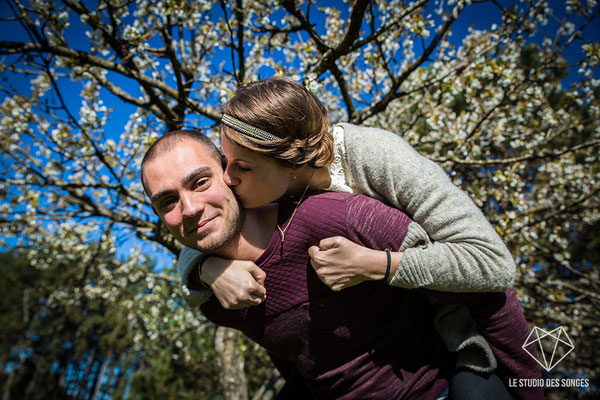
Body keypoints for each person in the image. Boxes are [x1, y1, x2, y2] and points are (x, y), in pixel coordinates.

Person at [140, 130, 543, 399]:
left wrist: (529, 387)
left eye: (199, 182)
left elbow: (485, 285)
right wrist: (207, 270)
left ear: (230, 174)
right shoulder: (217, 301)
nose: (189, 208)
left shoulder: (339, 219)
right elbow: (295, 356)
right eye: (168, 202)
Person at [176, 77, 517, 312]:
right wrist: (210, 270)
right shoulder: (257, 183)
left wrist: (376, 264)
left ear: (292, 160)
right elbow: (193, 237)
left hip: (460, 328)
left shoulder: (375, 154)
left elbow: (493, 264)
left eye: (243, 167)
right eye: (225, 161)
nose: (227, 177)